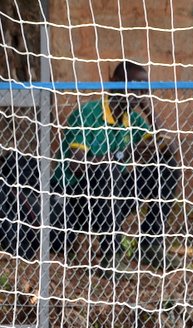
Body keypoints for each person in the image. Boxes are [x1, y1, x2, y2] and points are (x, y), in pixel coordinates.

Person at [48, 60, 181, 275]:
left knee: (167, 166)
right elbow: (77, 165)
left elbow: (171, 149)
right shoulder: (88, 113)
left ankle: (149, 244)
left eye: (144, 88)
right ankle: (112, 254)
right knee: (109, 169)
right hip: (76, 199)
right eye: (135, 86)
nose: (138, 93)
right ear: (116, 83)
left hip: (113, 197)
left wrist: (148, 108)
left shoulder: (134, 120)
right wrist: (124, 154)